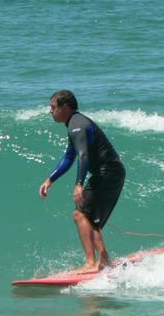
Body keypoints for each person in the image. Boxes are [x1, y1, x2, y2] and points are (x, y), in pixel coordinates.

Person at [39, 90, 125, 274]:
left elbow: (83, 155)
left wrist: (79, 183)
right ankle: (104, 262)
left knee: (80, 215)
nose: (50, 111)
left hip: (107, 172)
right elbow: (69, 157)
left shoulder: (77, 125)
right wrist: (50, 179)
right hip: (111, 172)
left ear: (65, 107)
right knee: (88, 218)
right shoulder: (75, 124)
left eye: (53, 107)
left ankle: (91, 264)